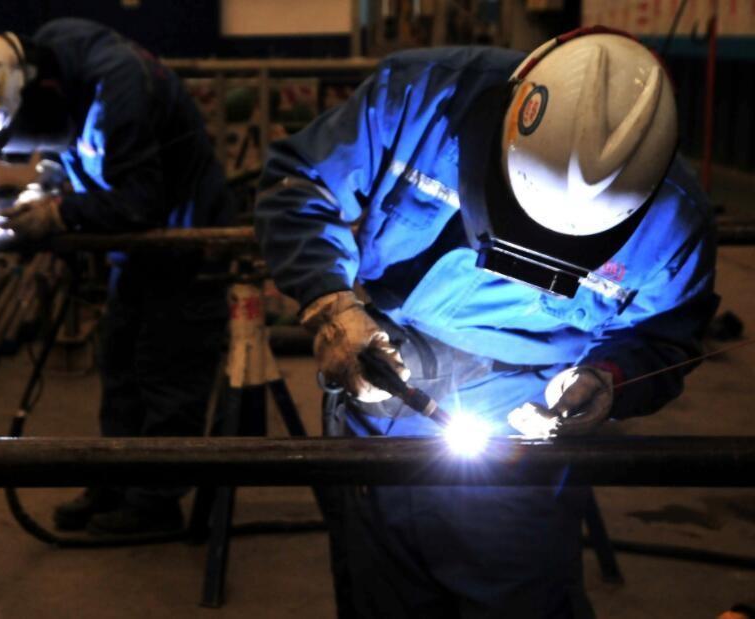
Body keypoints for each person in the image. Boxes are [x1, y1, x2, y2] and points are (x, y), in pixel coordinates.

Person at [256, 27, 718, 617]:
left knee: (518, 595)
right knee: (381, 591)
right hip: (383, 380)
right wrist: (330, 306)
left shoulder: (674, 223)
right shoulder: (421, 99)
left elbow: (665, 336)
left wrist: (608, 380)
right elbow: (301, 184)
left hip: (523, 429)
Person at [0, 18, 234, 536]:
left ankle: (155, 505)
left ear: (40, 90)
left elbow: (141, 202)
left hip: (186, 245)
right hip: (138, 251)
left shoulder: (117, 88)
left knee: (165, 370)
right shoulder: (55, 60)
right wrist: (47, 185)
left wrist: (60, 215)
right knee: (119, 360)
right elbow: (69, 146)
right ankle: (115, 481)